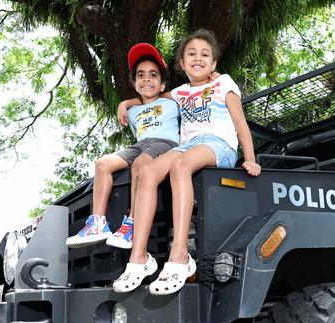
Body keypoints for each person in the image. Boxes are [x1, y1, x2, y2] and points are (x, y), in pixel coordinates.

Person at [112, 29, 261, 295]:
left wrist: (250, 158)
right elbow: (151, 96)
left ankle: (179, 255)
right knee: (147, 171)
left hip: (217, 145)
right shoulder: (180, 93)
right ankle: (139, 257)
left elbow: (240, 123)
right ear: (182, 64)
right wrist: (125, 103)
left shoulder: (223, 83)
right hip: (187, 147)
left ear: (214, 64)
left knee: (180, 166)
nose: (198, 58)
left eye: (205, 54)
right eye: (191, 54)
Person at [66, 43, 180, 249]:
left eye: (153, 75)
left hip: (165, 143)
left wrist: (213, 77)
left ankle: (132, 223)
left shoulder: (172, 100)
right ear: (135, 83)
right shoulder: (133, 109)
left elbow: (195, 90)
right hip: (140, 144)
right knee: (102, 163)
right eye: (141, 75)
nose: (146, 79)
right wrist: (125, 104)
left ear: (163, 84)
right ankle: (98, 223)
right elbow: (136, 101)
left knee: (141, 163)